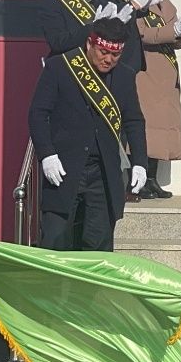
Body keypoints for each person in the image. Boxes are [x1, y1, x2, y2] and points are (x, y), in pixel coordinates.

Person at [29, 17, 149, 251]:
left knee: (98, 245)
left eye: (115, 55)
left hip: (103, 172)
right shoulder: (60, 67)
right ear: (89, 45)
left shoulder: (124, 75)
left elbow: (134, 120)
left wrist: (140, 162)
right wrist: (46, 154)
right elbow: (38, 113)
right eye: (103, 52)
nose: (108, 60)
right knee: (56, 241)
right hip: (64, 167)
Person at [133, 0, 181, 199]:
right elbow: (142, 34)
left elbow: (174, 34)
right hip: (146, 72)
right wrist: (171, 32)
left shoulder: (166, 3)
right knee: (145, 128)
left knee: (161, 129)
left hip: (166, 73)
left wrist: (180, 34)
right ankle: (138, 180)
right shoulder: (136, 1)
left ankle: (153, 179)